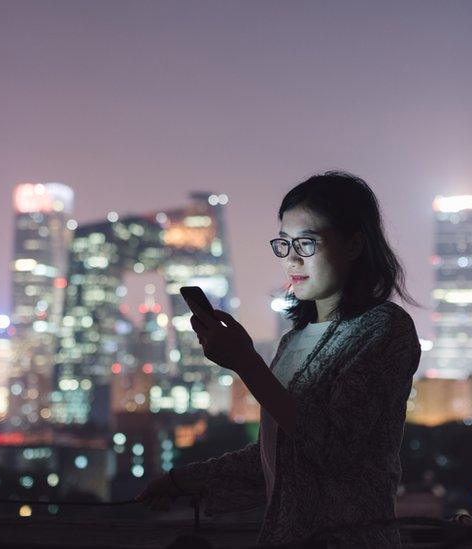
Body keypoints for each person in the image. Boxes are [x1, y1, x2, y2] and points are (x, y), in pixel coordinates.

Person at [135, 171, 422, 547]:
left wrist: (248, 364)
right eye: (284, 245)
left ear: (354, 244)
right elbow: (280, 456)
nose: (291, 260)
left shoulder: (384, 330)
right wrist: (182, 481)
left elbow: (334, 449)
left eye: (306, 243)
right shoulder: (293, 341)